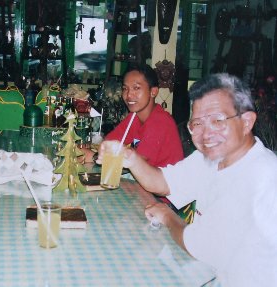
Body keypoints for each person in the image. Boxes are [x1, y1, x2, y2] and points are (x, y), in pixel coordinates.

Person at [98, 73, 277, 286]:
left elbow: (198, 245)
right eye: (197, 123)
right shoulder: (210, 158)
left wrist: (167, 216)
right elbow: (162, 183)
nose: (206, 133)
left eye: (218, 121)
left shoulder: (260, 176)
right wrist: (129, 157)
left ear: (246, 121)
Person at [90, 64, 183, 168]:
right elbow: (108, 143)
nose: (129, 95)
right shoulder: (134, 117)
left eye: (136, 88)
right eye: (125, 88)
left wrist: (94, 157)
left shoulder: (160, 121)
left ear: (153, 92)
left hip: (163, 182)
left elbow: (137, 163)